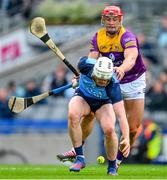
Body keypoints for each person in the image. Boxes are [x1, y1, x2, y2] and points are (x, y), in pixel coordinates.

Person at [57, 5, 146, 170]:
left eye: (115, 19)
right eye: (108, 19)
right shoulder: (98, 37)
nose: (111, 23)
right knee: (90, 111)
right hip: (108, 80)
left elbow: (131, 58)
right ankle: (78, 150)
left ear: (120, 20)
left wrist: (122, 68)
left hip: (132, 80)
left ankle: (117, 160)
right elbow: (92, 60)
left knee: (133, 129)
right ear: (103, 20)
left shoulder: (127, 37)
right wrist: (84, 76)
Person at [67, 56, 130, 175]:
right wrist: (78, 79)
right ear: (95, 72)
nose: (102, 82)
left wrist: (126, 138)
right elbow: (81, 62)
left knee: (110, 129)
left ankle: (112, 166)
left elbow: (122, 116)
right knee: (72, 114)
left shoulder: (113, 85)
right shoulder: (84, 64)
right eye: (99, 79)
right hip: (83, 97)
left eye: (104, 80)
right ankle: (80, 158)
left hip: (103, 103)